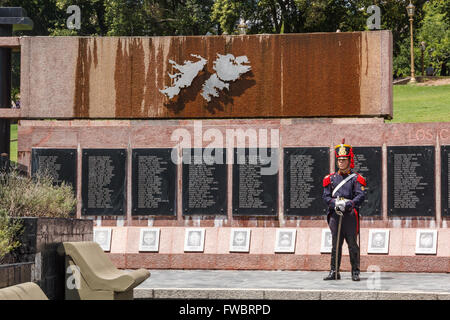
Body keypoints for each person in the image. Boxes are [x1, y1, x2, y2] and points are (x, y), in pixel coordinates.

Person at [322, 140, 366, 281]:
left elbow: (360, 195)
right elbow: (325, 196)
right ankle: (334, 271)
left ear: (349, 161)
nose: (341, 162)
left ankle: (355, 271)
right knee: (335, 245)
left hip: (350, 216)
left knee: (352, 244)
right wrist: (335, 203)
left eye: (344, 160)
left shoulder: (356, 179)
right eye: (339, 160)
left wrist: (349, 204)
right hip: (336, 214)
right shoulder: (331, 179)